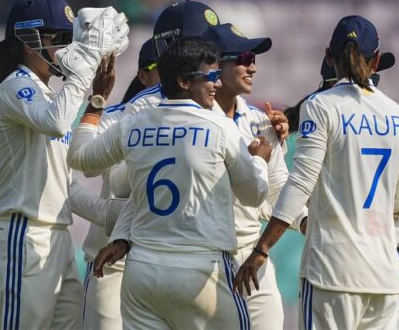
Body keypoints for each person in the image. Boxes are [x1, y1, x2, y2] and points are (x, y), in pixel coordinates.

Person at [234, 15, 399, 329]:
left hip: (331, 270)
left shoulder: (320, 105)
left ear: (328, 57)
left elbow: (300, 184)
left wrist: (262, 248)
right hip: (385, 272)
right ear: (375, 60)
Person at [67, 37, 272, 330]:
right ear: (183, 81)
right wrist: (259, 161)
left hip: (143, 273)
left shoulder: (133, 125)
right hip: (202, 271)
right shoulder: (220, 128)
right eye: (210, 76)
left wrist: (96, 103)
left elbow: (80, 159)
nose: (217, 84)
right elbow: (255, 195)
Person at [0, 0, 129, 329]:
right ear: (28, 41)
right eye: (58, 39)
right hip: (24, 234)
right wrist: (84, 69)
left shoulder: (49, 94)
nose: (67, 49)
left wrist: (109, 213)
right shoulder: (16, 86)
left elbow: (64, 183)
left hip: (57, 239)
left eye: (70, 40)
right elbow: (57, 122)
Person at [78, 0, 222, 329]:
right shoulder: (120, 118)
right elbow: (76, 173)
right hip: (112, 263)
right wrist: (109, 214)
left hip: (173, 257)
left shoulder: (215, 112)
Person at [202, 23, 306, 329]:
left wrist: (305, 221)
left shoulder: (261, 122)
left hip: (251, 255)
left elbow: (277, 189)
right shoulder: (193, 119)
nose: (253, 67)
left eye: (254, 59)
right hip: (201, 256)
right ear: (216, 65)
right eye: (245, 57)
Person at [78, 38, 158, 330]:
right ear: (143, 76)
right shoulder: (113, 119)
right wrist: (109, 214)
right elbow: (84, 169)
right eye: (161, 68)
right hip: (110, 264)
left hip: (161, 262)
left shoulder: (193, 122)